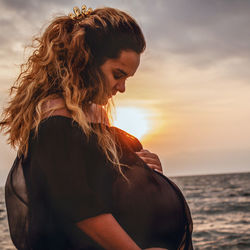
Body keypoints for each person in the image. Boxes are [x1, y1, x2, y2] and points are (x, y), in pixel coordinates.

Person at [1, 5, 193, 250]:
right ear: (87, 62)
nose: (121, 88)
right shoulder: (54, 126)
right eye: (117, 74)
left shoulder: (93, 118)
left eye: (127, 78)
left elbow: (105, 186)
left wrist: (146, 173)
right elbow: (82, 210)